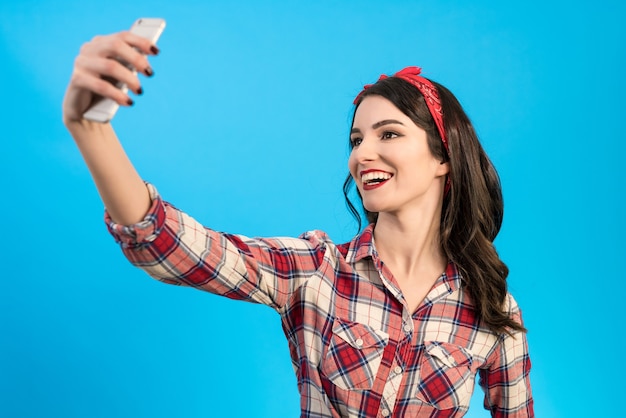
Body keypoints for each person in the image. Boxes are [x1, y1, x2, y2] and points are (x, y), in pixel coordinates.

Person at [63, 29, 533, 418]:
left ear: (443, 157)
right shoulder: (317, 270)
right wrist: (91, 128)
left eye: (388, 133)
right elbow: (173, 247)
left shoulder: (492, 307)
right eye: (356, 139)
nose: (362, 154)